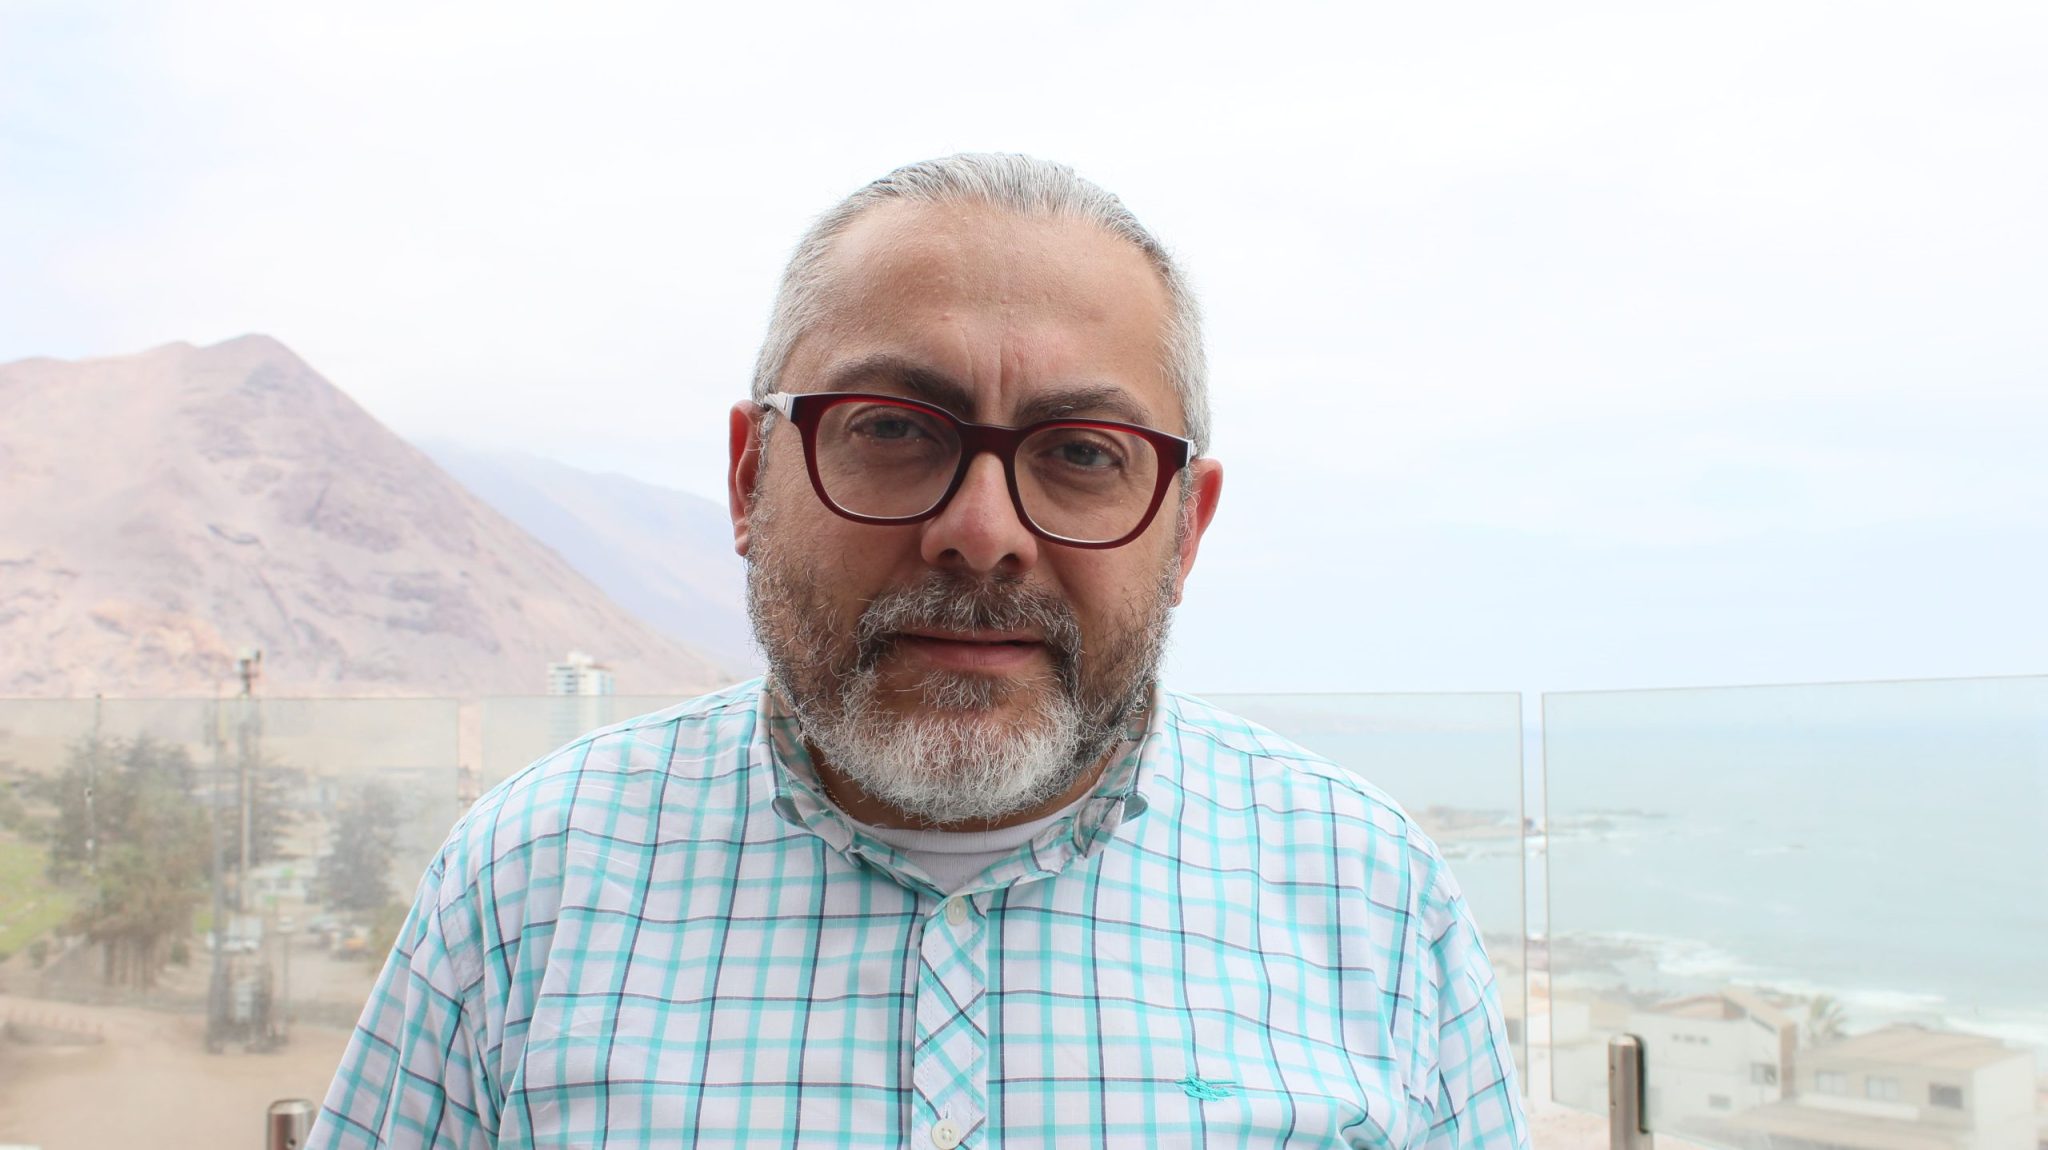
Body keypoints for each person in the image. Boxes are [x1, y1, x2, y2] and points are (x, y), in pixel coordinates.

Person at [308, 154, 1528, 1149]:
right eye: (892, 430)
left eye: (1081, 453)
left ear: (1184, 529)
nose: (980, 532)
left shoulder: (1370, 899)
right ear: (748, 478)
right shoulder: (527, 881)